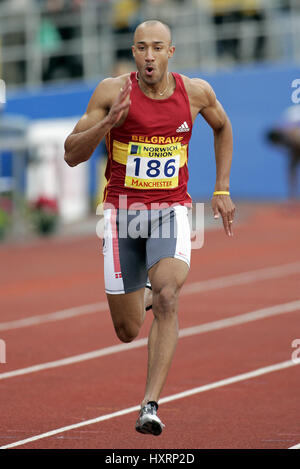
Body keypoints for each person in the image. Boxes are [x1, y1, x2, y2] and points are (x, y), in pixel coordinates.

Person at [64, 20, 235, 436]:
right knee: (126, 331)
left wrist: (221, 187)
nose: (149, 56)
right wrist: (108, 125)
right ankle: (138, 293)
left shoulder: (195, 92)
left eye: (157, 47)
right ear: (134, 52)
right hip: (121, 213)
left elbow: (223, 127)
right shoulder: (110, 92)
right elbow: (71, 154)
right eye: (141, 48)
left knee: (169, 295)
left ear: (170, 52)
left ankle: (150, 405)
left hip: (171, 210)